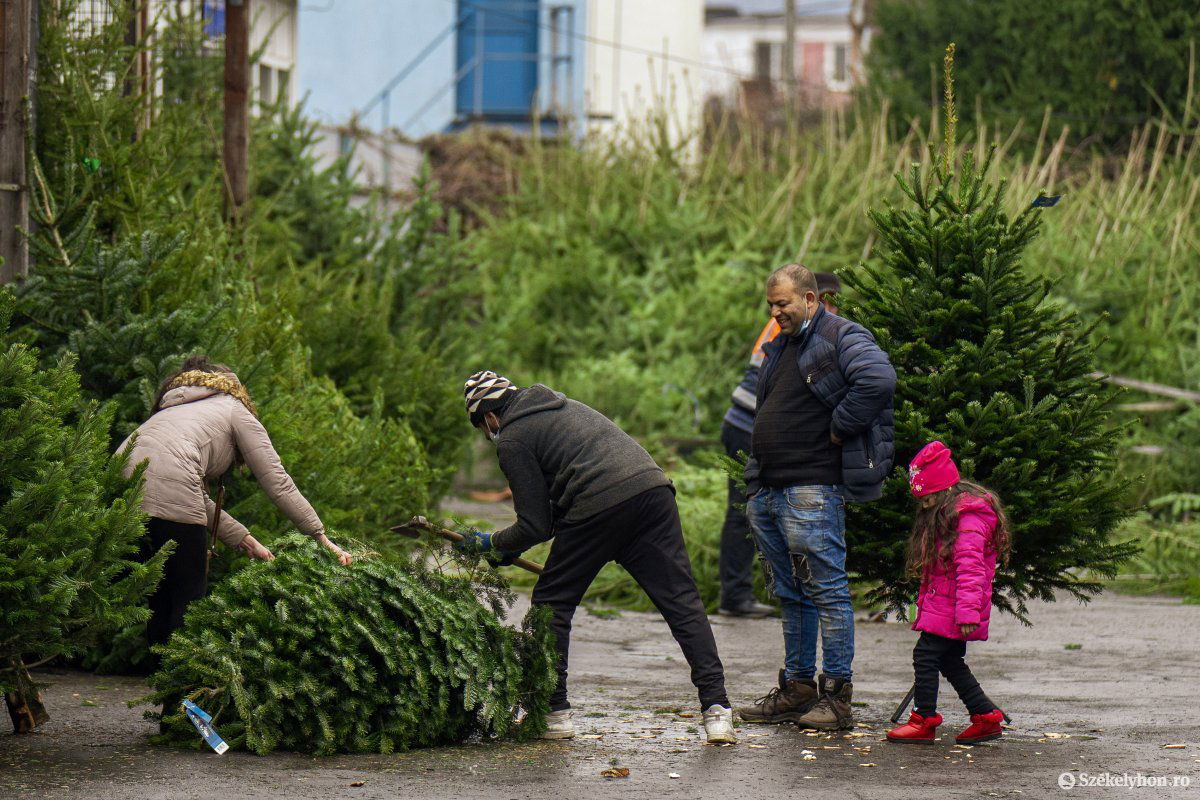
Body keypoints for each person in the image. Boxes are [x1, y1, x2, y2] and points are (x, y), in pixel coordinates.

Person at [457, 370, 736, 744]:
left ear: (489, 416)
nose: (488, 435)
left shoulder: (512, 437)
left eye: (482, 427)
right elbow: (551, 511)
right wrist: (511, 546)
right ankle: (718, 712)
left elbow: (535, 524)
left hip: (599, 506)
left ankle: (553, 714)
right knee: (682, 603)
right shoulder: (562, 406)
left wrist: (492, 543)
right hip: (652, 492)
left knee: (550, 604)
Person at [736, 264, 895, 730]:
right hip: (769, 488)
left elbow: (878, 381)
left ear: (811, 299)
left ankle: (837, 698)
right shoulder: (782, 345)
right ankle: (798, 689)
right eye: (770, 305)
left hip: (812, 490)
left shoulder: (841, 335)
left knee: (827, 592)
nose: (775, 312)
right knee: (791, 594)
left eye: (782, 303)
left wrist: (839, 426)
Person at [120, 356, 351, 657]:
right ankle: (180, 694)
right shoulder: (233, 407)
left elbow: (181, 489)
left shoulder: (171, 410)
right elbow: (277, 481)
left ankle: (166, 688)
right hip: (173, 486)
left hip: (123, 484)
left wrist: (243, 538)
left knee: (161, 598)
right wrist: (321, 537)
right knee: (188, 600)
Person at [718, 272, 841, 618]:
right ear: (816, 298)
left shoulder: (792, 322)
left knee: (749, 510)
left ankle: (742, 592)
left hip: (745, 420)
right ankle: (736, 594)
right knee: (746, 510)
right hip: (749, 424)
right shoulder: (800, 327)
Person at [886, 441, 1011, 745]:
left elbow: (971, 569)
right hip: (946, 604)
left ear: (941, 490)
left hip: (957, 606)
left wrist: (967, 613)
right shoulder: (949, 513)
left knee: (925, 655)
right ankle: (984, 716)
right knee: (950, 660)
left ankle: (924, 719)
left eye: (927, 498)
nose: (924, 505)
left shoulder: (968, 519)